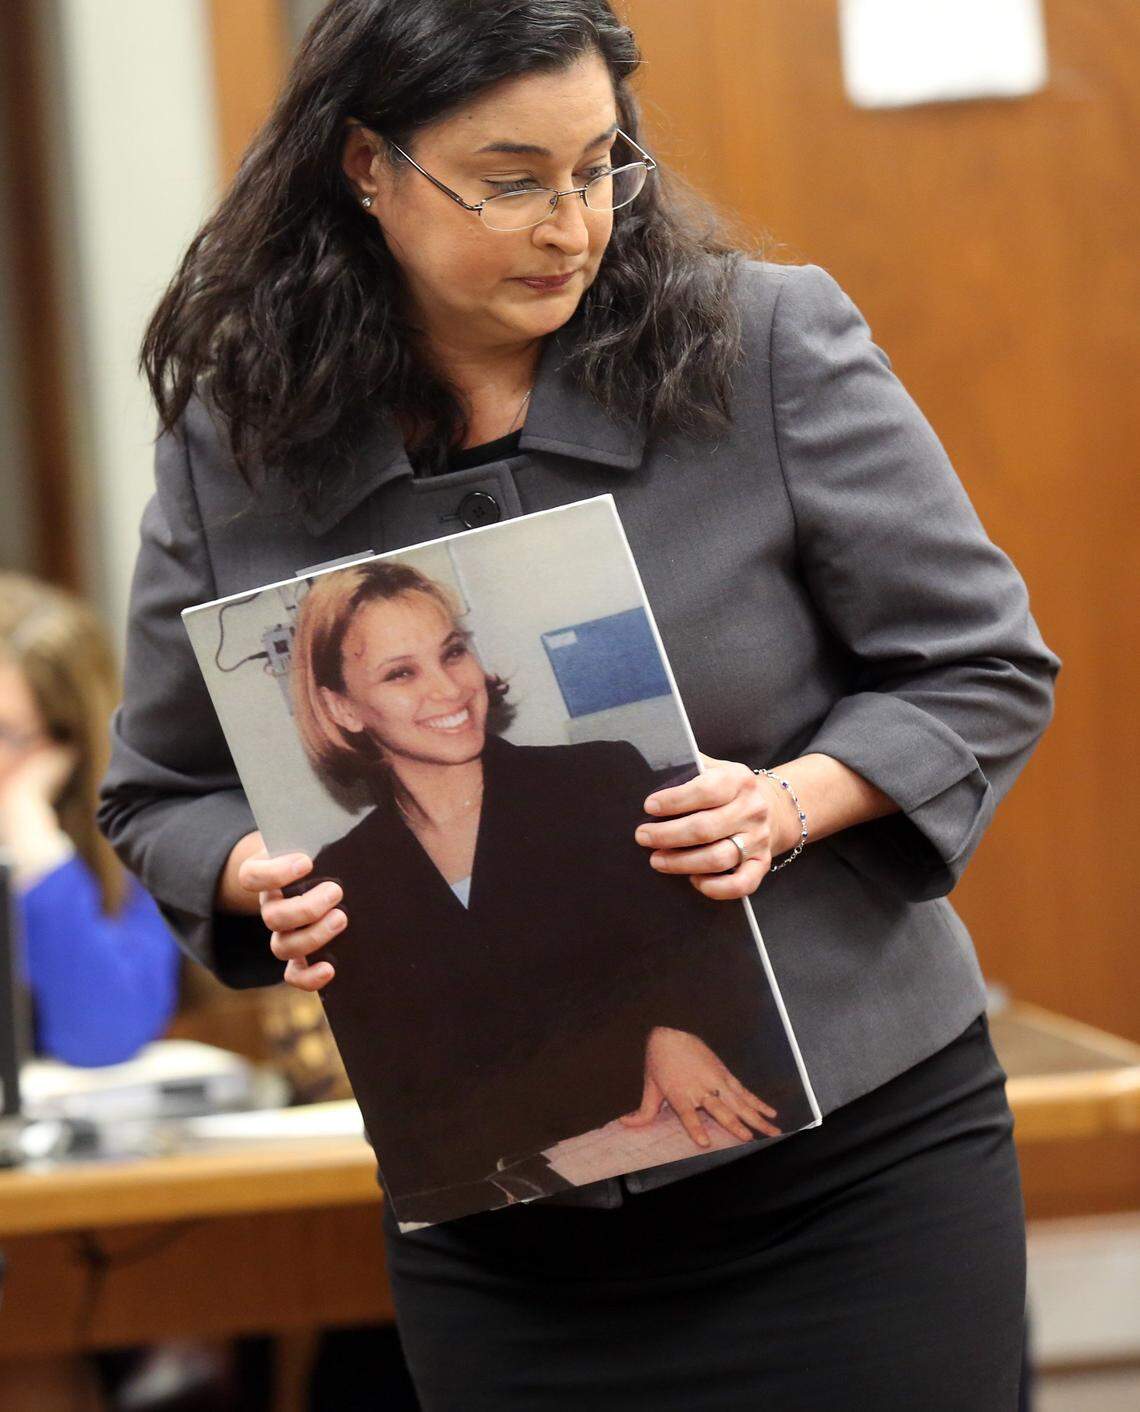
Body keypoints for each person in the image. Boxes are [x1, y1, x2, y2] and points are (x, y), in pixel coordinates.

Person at [99, 1, 1059, 1406]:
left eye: (599, 166)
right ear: (366, 166)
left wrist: (786, 804)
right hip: (502, 1216)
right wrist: (262, 869)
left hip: (849, 1174)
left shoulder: (764, 343)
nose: (572, 225)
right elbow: (160, 790)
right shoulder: (237, 440)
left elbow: (980, 663)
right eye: (510, 181)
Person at [288, 558, 802, 1222]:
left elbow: (722, 964)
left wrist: (674, 1026)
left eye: (453, 652)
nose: (447, 688)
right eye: (400, 673)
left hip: (712, 1179)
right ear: (342, 707)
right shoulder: (342, 878)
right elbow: (415, 1114)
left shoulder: (598, 777)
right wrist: (633, 1046)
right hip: (508, 1227)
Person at [0, 572, 178, 1066]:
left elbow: (104, 1036)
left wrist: (37, 849)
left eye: (4, 731)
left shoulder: (126, 850)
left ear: (65, 752)